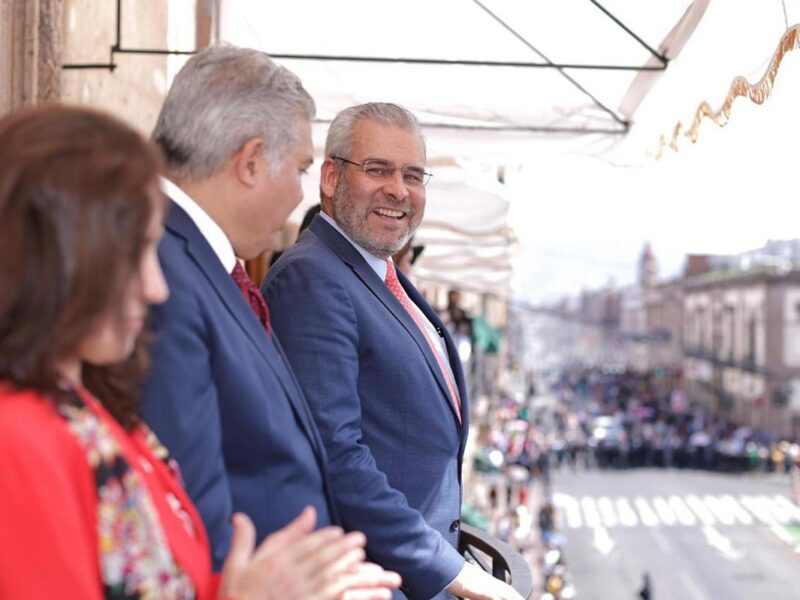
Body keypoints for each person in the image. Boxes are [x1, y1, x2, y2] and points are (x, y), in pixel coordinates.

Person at [0, 104, 399, 599]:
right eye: (133, 253)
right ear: (54, 255)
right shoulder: (18, 438)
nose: (154, 287)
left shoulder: (82, 409)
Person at [263, 102, 522, 599]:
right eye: (377, 169)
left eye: (412, 175)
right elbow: (336, 456)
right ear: (332, 177)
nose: (398, 190)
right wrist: (455, 572)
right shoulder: (313, 277)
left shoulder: (376, 272)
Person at [139, 44, 362, 573]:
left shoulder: (193, 260)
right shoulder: (163, 275)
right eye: (303, 169)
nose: (299, 197)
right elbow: (185, 502)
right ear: (252, 161)